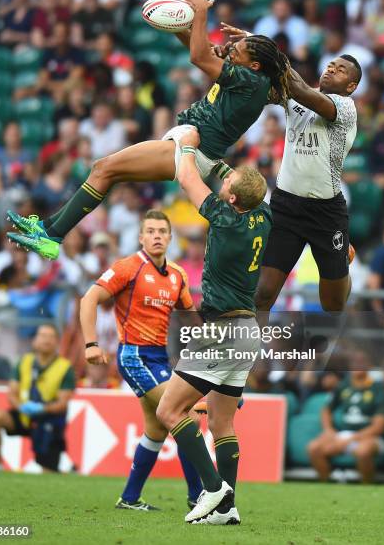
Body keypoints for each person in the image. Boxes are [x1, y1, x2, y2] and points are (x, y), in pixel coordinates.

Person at [5, 0, 290, 259]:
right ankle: (49, 231)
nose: (230, 49)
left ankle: (51, 236)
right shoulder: (250, 78)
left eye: (237, 50)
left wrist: (200, 12)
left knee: (104, 169)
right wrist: (177, 24)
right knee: (106, 171)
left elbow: (198, 55)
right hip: (191, 139)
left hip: (194, 148)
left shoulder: (250, 80)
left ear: (254, 66)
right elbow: (201, 49)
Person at [156, 132, 272, 525]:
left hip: (221, 330)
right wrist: (220, 162)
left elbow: (188, 177)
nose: (222, 185)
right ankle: (229, 508)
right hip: (249, 331)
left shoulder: (224, 219)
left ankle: (212, 487)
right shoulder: (264, 214)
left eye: (227, 186)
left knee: (169, 410)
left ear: (233, 199)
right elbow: (230, 177)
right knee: (222, 421)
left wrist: (187, 145)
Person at [219, 21, 360, 313]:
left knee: (332, 305)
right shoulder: (295, 97)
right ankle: (250, 358)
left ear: (351, 86)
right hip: (286, 205)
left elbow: (296, 87)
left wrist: (264, 46)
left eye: (341, 69)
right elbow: (272, 84)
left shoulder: (345, 107)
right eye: (331, 64)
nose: (332, 68)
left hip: (326, 211)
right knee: (262, 295)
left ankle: (343, 253)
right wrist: (243, 55)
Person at [80, 209, 202, 511]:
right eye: (151, 231)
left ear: (171, 237)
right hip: (134, 355)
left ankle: (130, 498)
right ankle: (199, 495)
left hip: (160, 358)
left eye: (162, 231)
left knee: (157, 429)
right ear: (141, 237)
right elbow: (89, 299)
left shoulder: (177, 275)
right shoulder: (128, 267)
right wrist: (91, 344)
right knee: (183, 414)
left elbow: (192, 322)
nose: (157, 236)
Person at [0, 324, 75, 472]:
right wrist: (21, 407)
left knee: (48, 472)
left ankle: (65, 469)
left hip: (48, 420)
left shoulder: (65, 367)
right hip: (24, 415)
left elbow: (63, 403)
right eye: (42, 336)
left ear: (57, 342)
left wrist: (42, 408)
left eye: (51, 337)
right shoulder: (24, 361)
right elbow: (11, 393)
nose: (46, 340)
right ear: (34, 341)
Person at [307, 351, 384, 484]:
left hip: (369, 436)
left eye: (361, 362)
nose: (358, 366)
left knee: (363, 451)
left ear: (369, 365)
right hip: (344, 434)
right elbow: (326, 410)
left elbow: (380, 426)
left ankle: (367, 487)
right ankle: (325, 485)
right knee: (314, 447)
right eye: (354, 363)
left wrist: (352, 439)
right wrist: (329, 431)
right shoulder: (343, 385)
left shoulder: (377, 388)